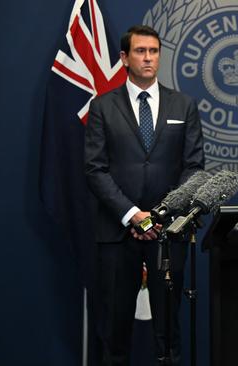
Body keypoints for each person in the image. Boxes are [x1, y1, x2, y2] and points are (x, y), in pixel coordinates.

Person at [84, 25, 203, 365]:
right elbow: (95, 169)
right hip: (117, 233)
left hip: (168, 234)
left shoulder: (185, 105)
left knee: (168, 333)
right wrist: (134, 214)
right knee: (114, 332)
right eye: (140, 51)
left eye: (153, 51)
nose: (148, 58)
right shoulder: (103, 107)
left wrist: (161, 215)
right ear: (124, 58)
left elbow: (194, 167)